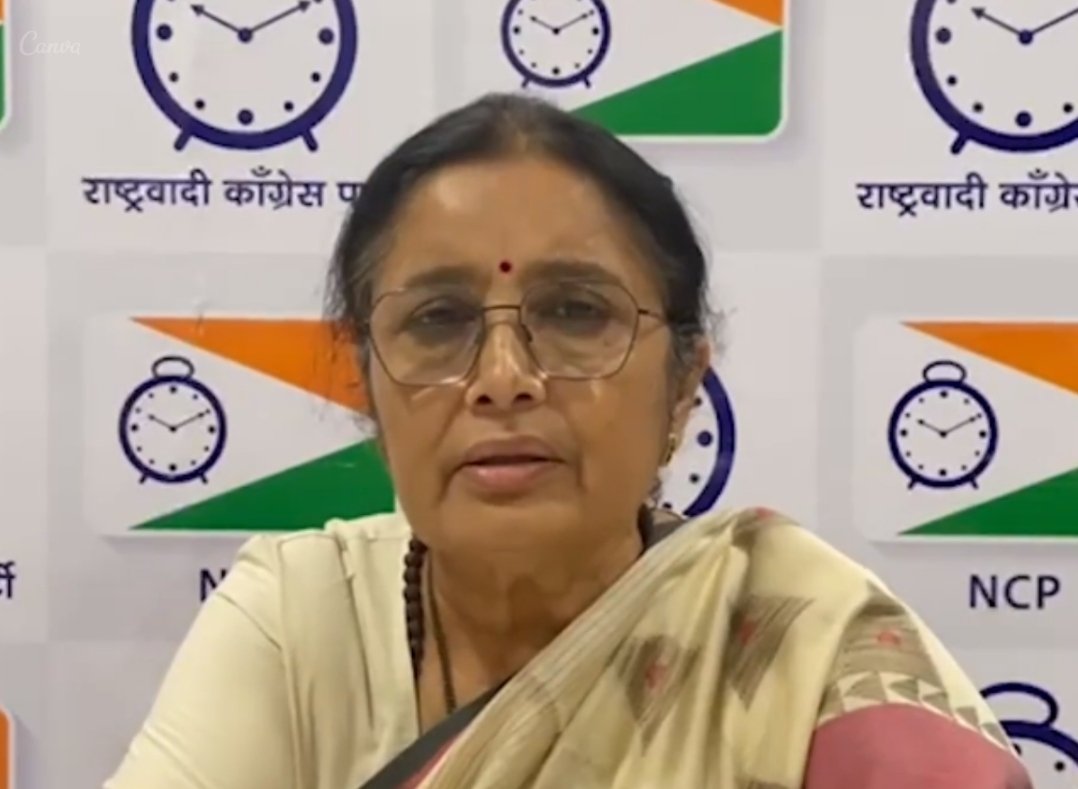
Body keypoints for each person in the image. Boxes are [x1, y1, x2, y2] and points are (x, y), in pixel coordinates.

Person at [104, 93, 1031, 789]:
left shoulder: (799, 644)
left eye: (575, 311)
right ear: (369, 389)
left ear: (683, 386)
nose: (504, 375)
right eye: (438, 319)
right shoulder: (302, 620)